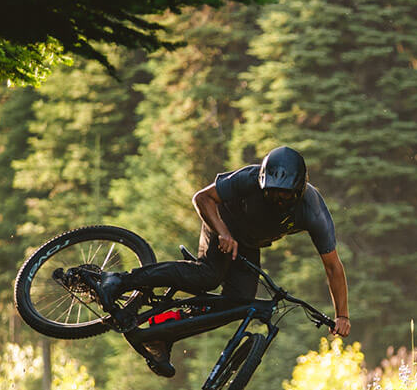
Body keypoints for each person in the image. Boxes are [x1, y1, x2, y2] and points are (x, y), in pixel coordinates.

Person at [91, 145, 351, 377]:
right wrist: (223, 232)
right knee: (208, 275)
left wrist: (342, 315)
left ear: (298, 189)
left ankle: (161, 334)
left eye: (284, 196)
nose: (277, 200)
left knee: (238, 304)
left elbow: (332, 266)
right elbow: (202, 198)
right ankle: (118, 280)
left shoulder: (313, 211)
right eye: (271, 194)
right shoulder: (249, 178)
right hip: (222, 222)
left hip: (248, 243)